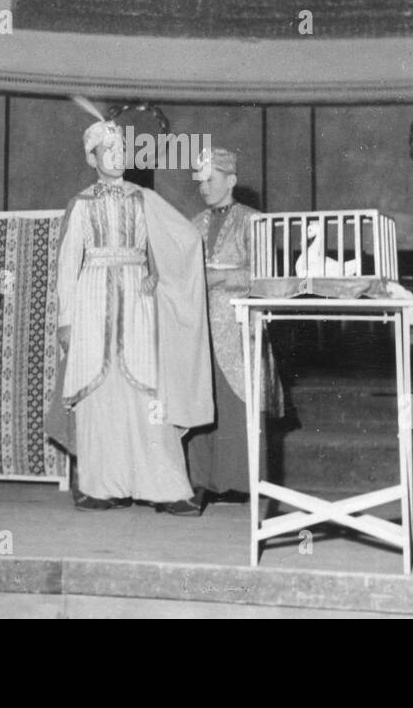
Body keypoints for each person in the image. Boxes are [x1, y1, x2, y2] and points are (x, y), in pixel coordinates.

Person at [47, 117, 213, 515]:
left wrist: (162, 272)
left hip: (138, 301)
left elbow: (184, 241)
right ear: (92, 157)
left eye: (123, 149)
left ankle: (167, 488)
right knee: (97, 392)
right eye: (109, 150)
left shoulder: (144, 198)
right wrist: (66, 320)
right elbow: (68, 264)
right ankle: (98, 487)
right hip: (91, 302)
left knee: (148, 391)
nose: (118, 156)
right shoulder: (81, 203)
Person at [184, 146, 283, 503]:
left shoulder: (254, 221)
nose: (203, 187)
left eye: (210, 180)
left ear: (231, 181)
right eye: (200, 181)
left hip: (239, 328)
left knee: (238, 403)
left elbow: (265, 277)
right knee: (199, 402)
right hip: (199, 329)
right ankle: (201, 482)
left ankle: (245, 484)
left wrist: (218, 279)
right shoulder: (193, 224)